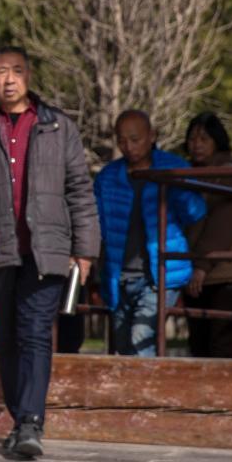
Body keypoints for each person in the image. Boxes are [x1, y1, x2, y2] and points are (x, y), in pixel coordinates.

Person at [0, 46, 100, 459]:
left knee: (34, 332)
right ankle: (20, 418)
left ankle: (30, 422)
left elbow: (79, 190)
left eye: (16, 71)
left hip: (47, 249)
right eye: (0, 72)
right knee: (8, 337)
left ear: (28, 76)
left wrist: (84, 251)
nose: (8, 79)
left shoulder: (57, 126)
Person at [94, 110, 205, 357]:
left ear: (151, 136)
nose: (128, 147)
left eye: (135, 139)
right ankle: (130, 395)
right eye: (122, 141)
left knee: (141, 337)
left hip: (160, 275)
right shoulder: (108, 176)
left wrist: (176, 185)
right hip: (118, 275)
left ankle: (146, 394)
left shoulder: (173, 167)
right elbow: (97, 224)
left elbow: (195, 212)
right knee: (122, 346)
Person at [182, 112, 232, 358]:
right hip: (202, 273)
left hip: (227, 274)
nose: (197, 144)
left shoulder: (227, 173)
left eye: (204, 138)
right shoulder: (192, 174)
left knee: (222, 348)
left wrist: (202, 265)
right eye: (192, 139)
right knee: (200, 347)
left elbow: (224, 223)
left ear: (217, 141)